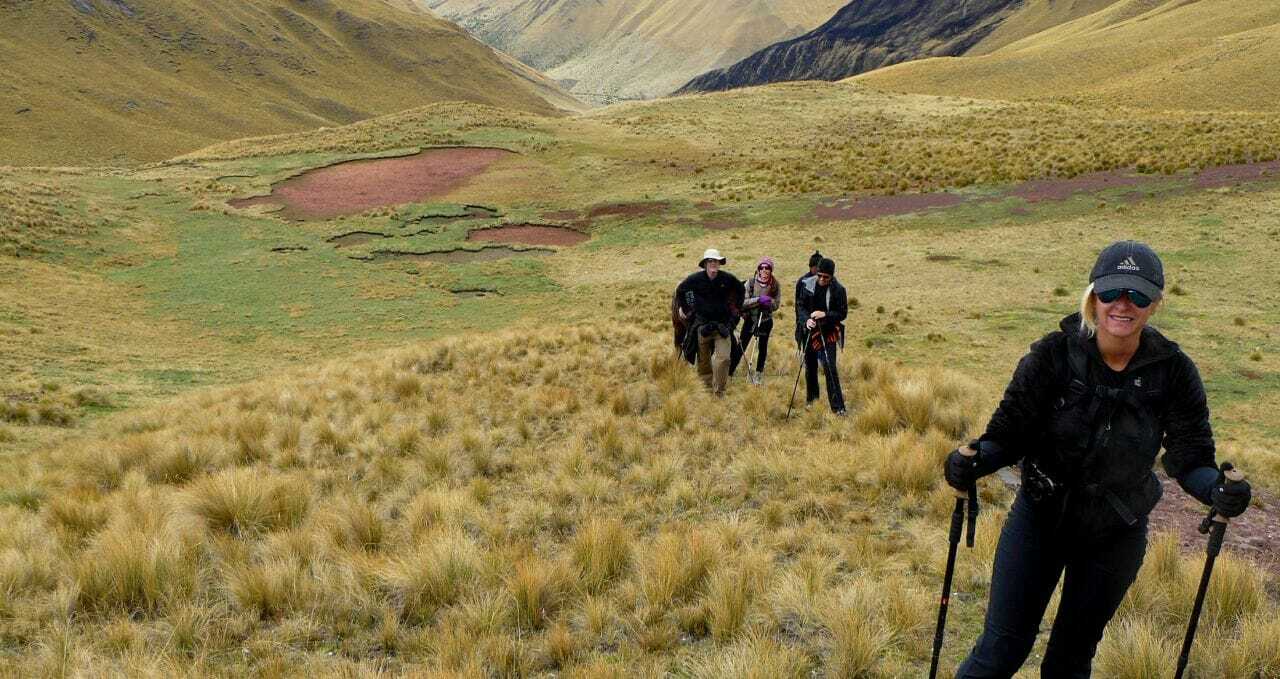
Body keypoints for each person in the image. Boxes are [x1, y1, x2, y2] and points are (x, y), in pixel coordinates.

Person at [944, 240, 1252, 678]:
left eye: (1138, 295)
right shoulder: (1052, 355)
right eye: (1111, 293)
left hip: (1116, 532)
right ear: (1093, 295)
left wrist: (1218, 491)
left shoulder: (1174, 371)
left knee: (1070, 659)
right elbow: (1009, 434)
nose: (1123, 305)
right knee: (1001, 651)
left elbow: (1190, 458)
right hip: (1040, 521)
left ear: (1155, 303)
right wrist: (974, 461)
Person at [675, 248, 745, 396]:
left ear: (720, 264)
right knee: (703, 361)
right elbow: (681, 290)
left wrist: (736, 310)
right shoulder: (695, 279)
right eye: (711, 261)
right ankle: (706, 388)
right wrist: (686, 308)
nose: (714, 264)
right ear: (706, 264)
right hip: (703, 325)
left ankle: (719, 391)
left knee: (724, 359)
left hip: (723, 326)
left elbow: (740, 290)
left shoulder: (727, 279)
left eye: (716, 261)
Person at [797, 257, 847, 414]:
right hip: (810, 332)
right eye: (819, 275)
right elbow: (800, 307)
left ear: (831, 276)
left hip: (829, 331)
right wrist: (806, 321)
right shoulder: (807, 285)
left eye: (826, 277)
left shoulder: (838, 289)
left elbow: (842, 313)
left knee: (829, 367)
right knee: (810, 366)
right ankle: (812, 401)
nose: (821, 279)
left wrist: (824, 314)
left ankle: (838, 408)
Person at [738, 256, 781, 385]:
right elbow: (743, 303)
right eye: (761, 267)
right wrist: (758, 300)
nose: (764, 270)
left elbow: (776, 305)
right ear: (758, 269)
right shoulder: (750, 283)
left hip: (766, 321)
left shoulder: (775, 285)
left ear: (771, 270)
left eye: (767, 267)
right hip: (750, 320)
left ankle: (758, 374)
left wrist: (769, 303)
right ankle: (730, 370)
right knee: (741, 345)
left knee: (762, 347)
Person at [795, 250, 822, 353]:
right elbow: (798, 305)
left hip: (821, 323)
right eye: (815, 267)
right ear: (811, 267)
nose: (817, 270)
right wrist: (801, 322)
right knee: (808, 354)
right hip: (806, 323)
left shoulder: (826, 280)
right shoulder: (802, 282)